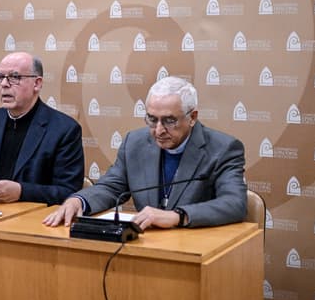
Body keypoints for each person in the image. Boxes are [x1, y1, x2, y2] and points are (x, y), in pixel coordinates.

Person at [44, 76, 247, 229]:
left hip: (197, 247)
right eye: (151, 119)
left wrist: (178, 216)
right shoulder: (135, 142)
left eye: (169, 121)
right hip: (148, 247)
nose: (158, 130)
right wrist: (79, 200)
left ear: (192, 117)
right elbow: (111, 187)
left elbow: (234, 203)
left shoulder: (223, 148)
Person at [0, 52, 85, 205]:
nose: (4, 84)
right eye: (1, 77)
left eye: (14, 77)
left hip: (33, 220)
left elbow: (69, 191)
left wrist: (22, 191)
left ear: (36, 83)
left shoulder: (64, 129)